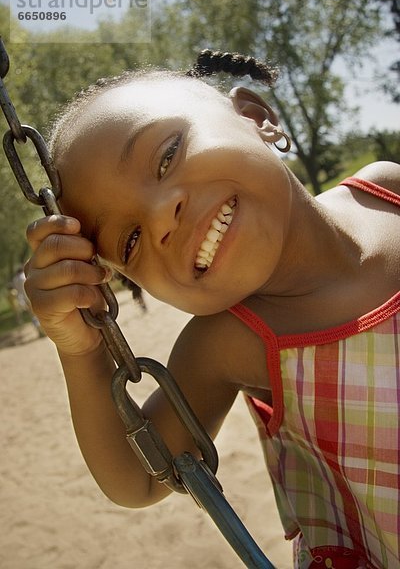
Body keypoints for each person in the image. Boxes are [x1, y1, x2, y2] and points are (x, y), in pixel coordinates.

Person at [23, 50, 400, 569]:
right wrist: (79, 347)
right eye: (131, 241)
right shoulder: (231, 342)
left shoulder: (386, 190)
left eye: (166, 155)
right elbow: (138, 478)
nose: (161, 218)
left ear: (255, 117)